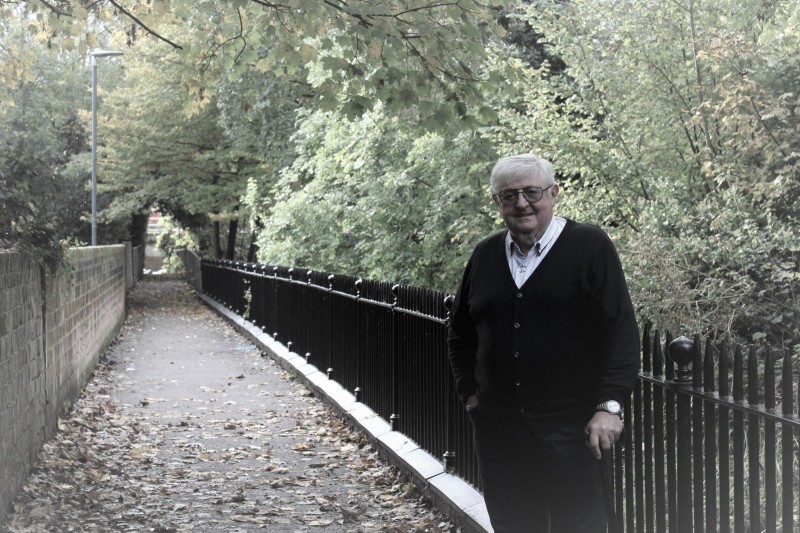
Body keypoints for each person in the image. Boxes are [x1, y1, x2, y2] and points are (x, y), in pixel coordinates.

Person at [446, 153, 640, 533]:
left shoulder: (589, 246)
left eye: (532, 192)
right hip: (500, 434)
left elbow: (620, 333)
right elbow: (460, 333)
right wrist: (471, 396)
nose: (522, 203)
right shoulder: (485, 254)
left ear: (553, 193)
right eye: (509, 195)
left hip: (574, 431)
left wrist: (610, 406)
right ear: (496, 203)